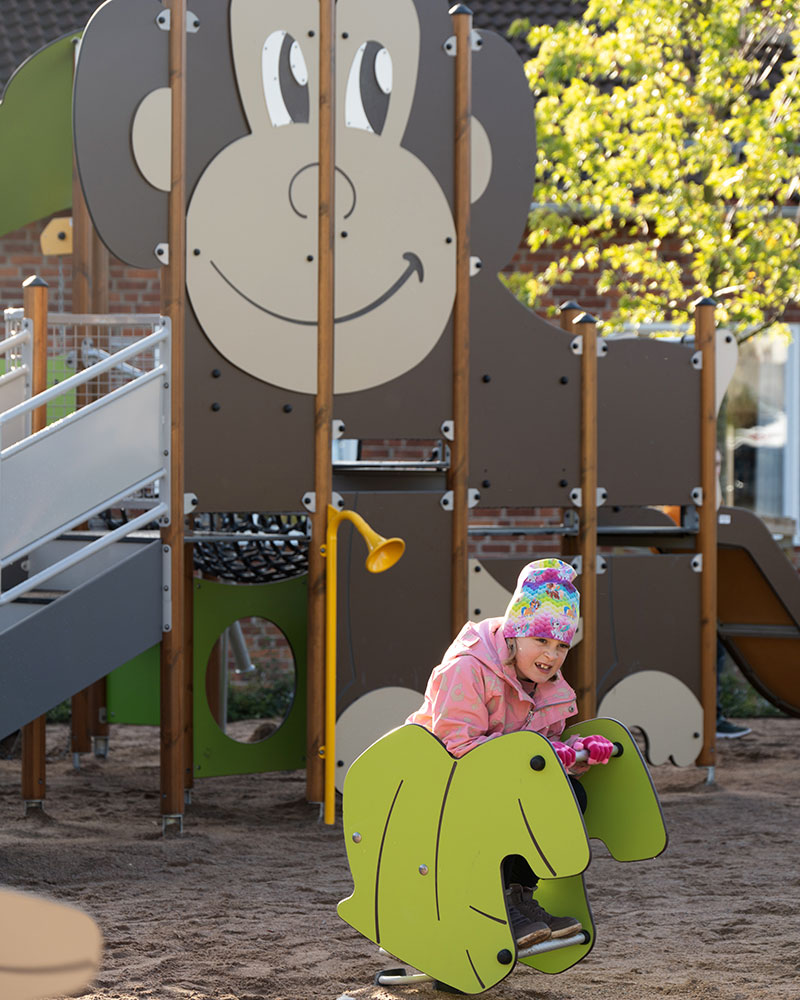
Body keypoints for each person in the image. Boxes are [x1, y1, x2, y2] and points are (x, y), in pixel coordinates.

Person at [406, 557, 614, 949]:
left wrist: (579, 752)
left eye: (561, 645)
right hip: (440, 786)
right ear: (516, 633)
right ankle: (494, 901)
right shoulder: (468, 668)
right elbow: (458, 747)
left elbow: (544, 752)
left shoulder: (548, 687)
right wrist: (540, 757)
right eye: (541, 641)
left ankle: (520, 895)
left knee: (568, 795)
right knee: (517, 802)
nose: (551, 656)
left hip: (494, 781)